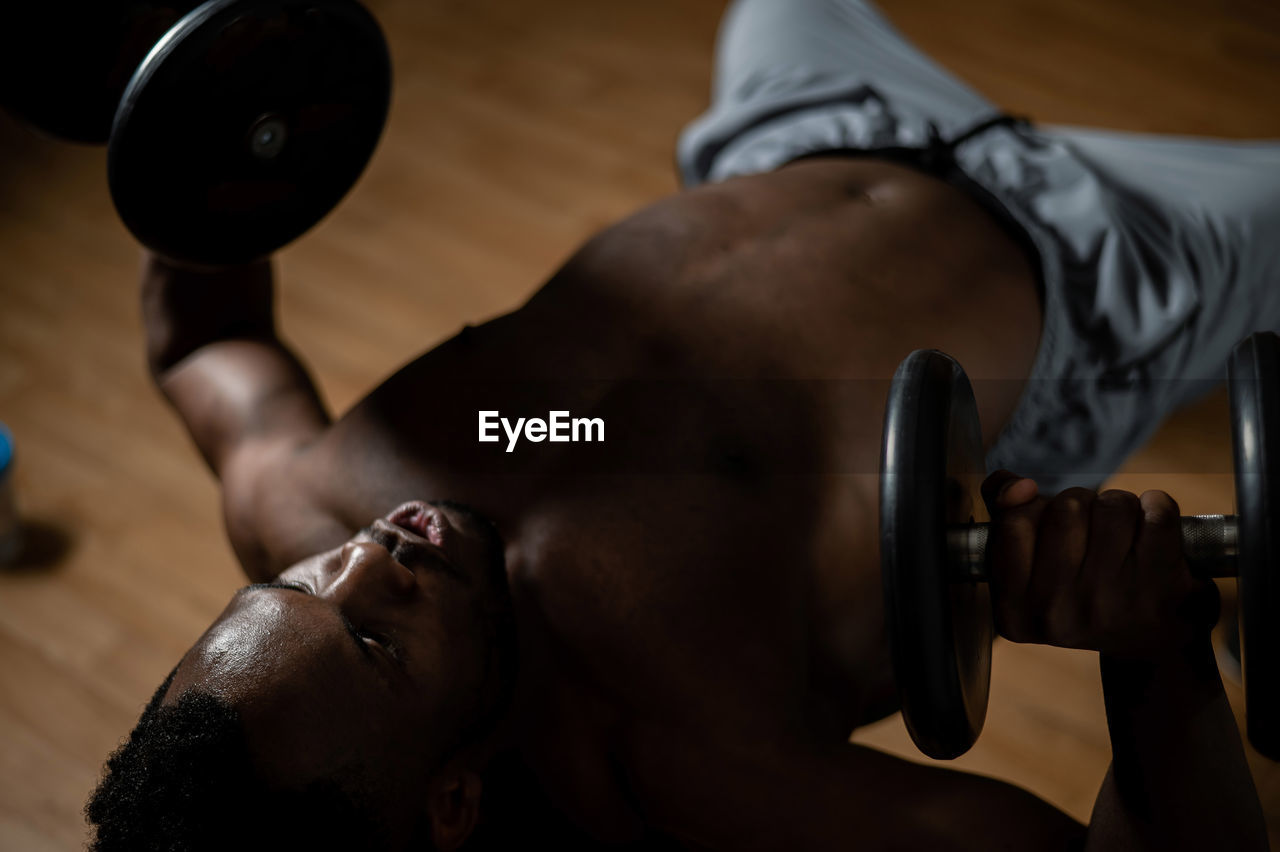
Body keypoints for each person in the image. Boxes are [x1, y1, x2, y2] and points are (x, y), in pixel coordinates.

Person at [86, 0, 1277, 848]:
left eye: (293, 587)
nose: (369, 559)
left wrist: (201, 99)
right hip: (1109, 269)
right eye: (381, 645)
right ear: (451, 802)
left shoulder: (304, 500)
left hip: (794, 122)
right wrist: (1151, 654)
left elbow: (203, 344)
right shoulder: (684, 754)